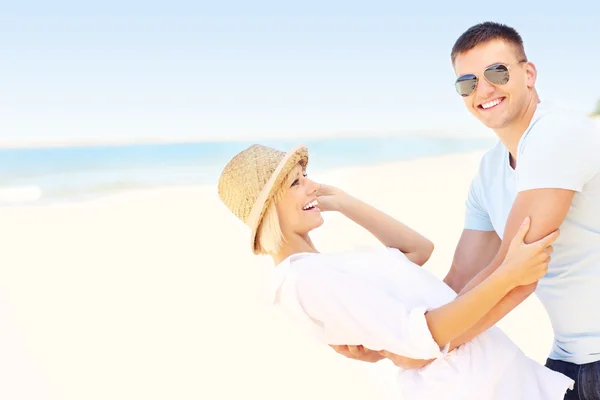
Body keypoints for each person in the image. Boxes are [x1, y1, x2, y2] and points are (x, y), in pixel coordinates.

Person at [354, 22, 600, 399]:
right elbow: (457, 282)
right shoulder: (489, 171)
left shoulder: (556, 135)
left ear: (528, 74)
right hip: (570, 360)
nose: (483, 90)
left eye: (496, 73)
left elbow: (516, 275)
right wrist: (392, 339)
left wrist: (423, 348)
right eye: (467, 83)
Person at [217, 143, 574, 400]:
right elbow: (421, 340)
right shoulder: (302, 279)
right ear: (268, 213)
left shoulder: (325, 266)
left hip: (497, 379)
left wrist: (343, 201)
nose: (313, 184)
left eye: (305, 175)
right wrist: (507, 277)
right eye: (296, 183)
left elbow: (417, 250)